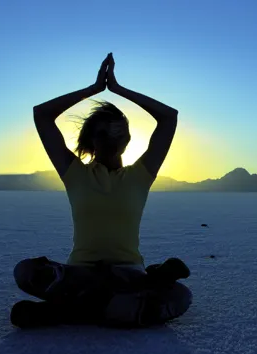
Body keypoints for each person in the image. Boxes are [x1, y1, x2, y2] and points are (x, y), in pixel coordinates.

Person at [11, 53, 192, 328]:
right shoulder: (75, 173)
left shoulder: (140, 175)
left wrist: (118, 90)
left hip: (128, 275)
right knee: (25, 271)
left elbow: (169, 118)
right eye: (102, 133)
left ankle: (67, 311)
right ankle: (114, 305)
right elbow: (42, 115)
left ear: (128, 139)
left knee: (181, 297)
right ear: (91, 140)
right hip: (81, 274)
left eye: (117, 132)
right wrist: (94, 89)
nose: (110, 138)